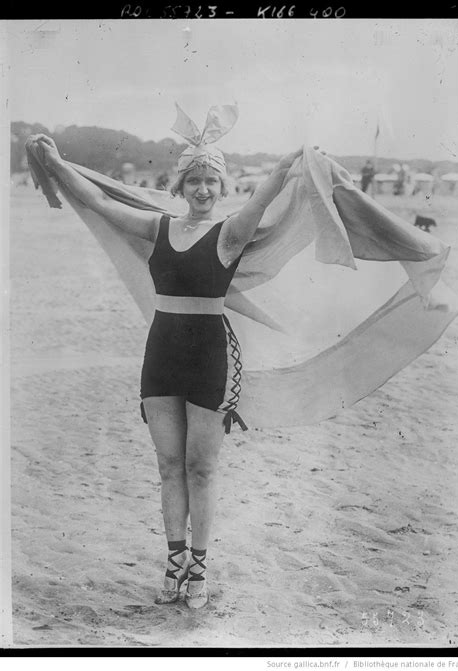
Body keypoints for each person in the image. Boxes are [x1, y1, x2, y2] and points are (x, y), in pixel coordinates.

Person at [29, 110, 302, 610]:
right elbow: (97, 200)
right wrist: (56, 161)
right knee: (168, 465)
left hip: (208, 360)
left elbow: (266, 195)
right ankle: (174, 563)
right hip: (161, 357)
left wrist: (287, 165)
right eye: (193, 180)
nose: (201, 189)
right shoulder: (157, 228)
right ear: (180, 184)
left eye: (210, 181)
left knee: (201, 468)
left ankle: (199, 569)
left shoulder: (230, 234)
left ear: (222, 188)